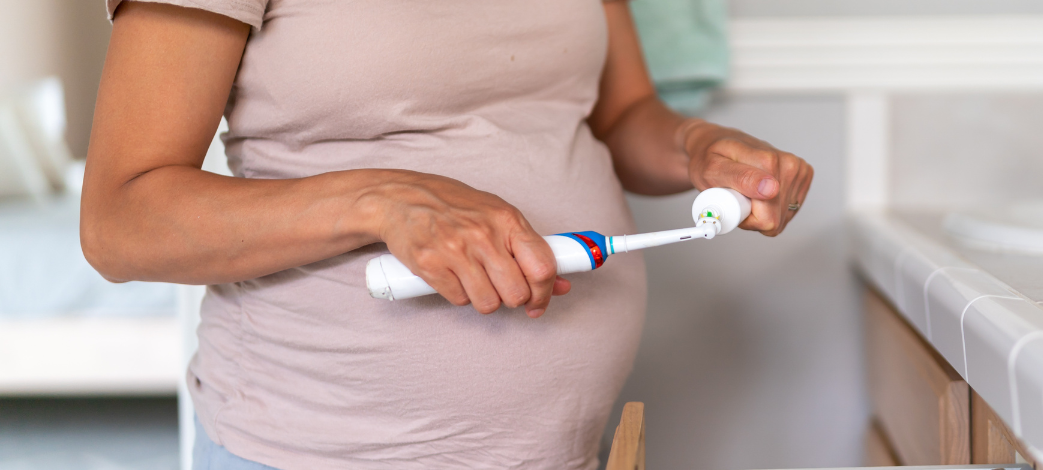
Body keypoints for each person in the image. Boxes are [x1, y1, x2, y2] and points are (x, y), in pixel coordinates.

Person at [81, 1, 814, 468]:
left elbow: (618, 116)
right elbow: (122, 219)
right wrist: (380, 198)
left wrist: (695, 147)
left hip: (562, 449)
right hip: (315, 451)